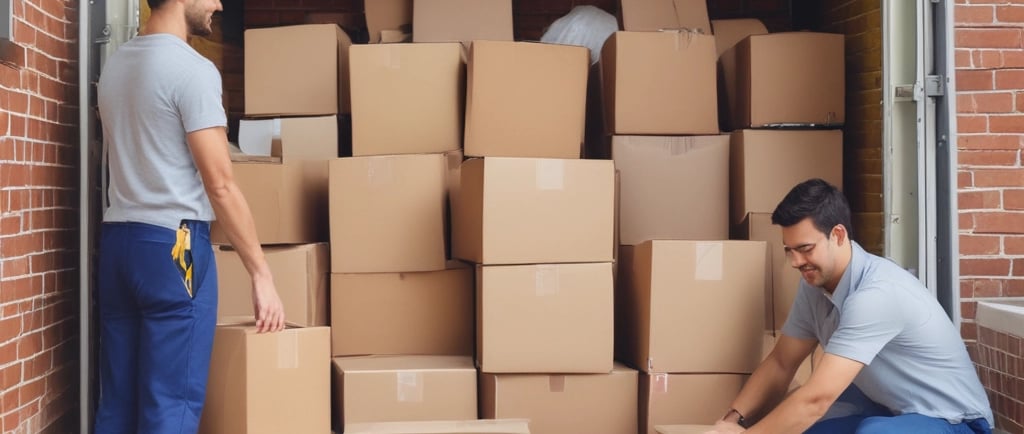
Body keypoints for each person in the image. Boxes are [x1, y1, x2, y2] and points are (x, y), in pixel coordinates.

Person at [94, 0, 286, 432]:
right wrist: (261, 273)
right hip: (173, 249)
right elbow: (220, 185)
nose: (218, 4)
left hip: (118, 242)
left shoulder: (116, 66)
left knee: (118, 403)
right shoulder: (192, 71)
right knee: (171, 404)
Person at [705, 178, 993, 434]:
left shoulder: (877, 294)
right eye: (789, 251)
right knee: (802, 428)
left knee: (867, 431)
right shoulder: (814, 284)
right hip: (887, 411)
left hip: (953, 421)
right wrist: (731, 422)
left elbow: (817, 399)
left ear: (839, 235)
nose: (795, 262)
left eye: (805, 249)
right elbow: (781, 363)